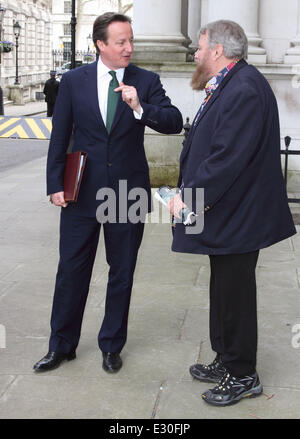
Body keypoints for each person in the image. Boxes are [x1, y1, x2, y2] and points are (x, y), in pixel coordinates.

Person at [34, 12, 183, 374]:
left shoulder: (146, 81)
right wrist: (55, 184)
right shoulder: (73, 81)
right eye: (121, 42)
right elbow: (61, 134)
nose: (129, 48)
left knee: (122, 271)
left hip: (127, 194)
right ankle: (61, 345)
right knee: (71, 269)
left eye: (130, 40)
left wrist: (139, 107)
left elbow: (174, 121)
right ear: (100, 45)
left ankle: (111, 345)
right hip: (81, 192)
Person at [170, 20, 296, 406]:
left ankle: (243, 373)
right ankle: (225, 358)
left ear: (219, 51)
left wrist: (188, 198)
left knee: (236, 294)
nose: (195, 52)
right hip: (229, 213)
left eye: (201, 46)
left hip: (239, 215)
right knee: (223, 289)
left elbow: (225, 159)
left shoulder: (243, 87)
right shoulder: (234, 81)